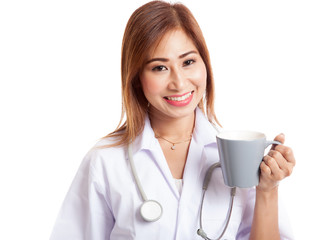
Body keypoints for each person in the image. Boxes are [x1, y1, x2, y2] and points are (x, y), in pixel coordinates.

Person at [49, 1, 296, 239]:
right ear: (136, 78)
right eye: (159, 67)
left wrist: (267, 190)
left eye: (188, 62)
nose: (178, 82)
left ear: (205, 65)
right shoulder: (105, 160)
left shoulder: (237, 157)